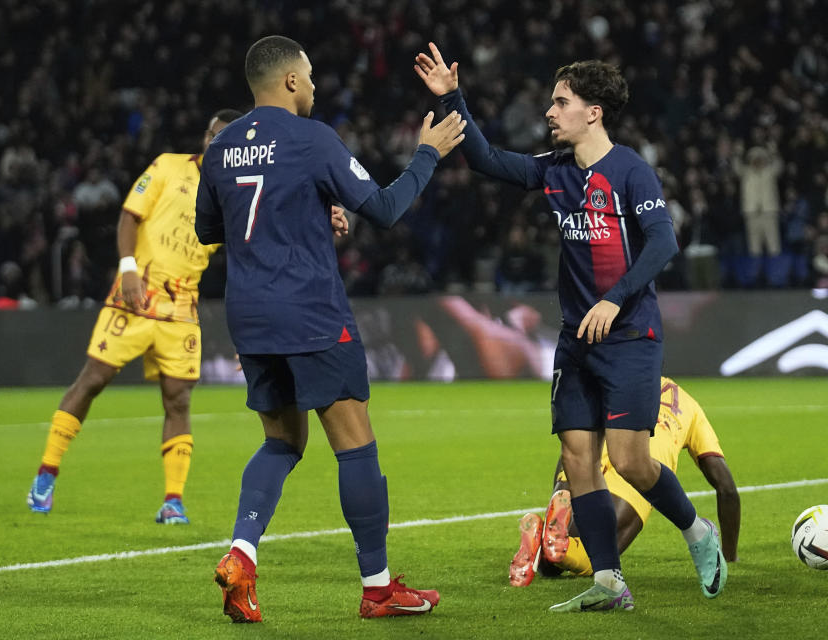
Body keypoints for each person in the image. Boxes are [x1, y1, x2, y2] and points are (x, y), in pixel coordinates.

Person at [415, 43, 726, 612]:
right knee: (578, 460)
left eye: (561, 102)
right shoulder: (554, 172)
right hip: (575, 341)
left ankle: (696, 532)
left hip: (630, 336)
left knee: (632, 461)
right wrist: (451, 97)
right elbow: (484, 159)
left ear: (594, 112)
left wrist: (615, 300)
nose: (550, 112)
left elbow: (663, 243)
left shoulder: (630, 171)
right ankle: (609, 581)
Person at [194, 35, 466, 623]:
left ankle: (242, 554)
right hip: (311, 312)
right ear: (290, 80)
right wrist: (427, 153)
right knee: (356, 444)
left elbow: (210, 231)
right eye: (311, 76)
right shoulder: (313, 138)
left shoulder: (220, 148)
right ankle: (377, 588)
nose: (315, 86)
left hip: (248, 316)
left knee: (282, 442)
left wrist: (312, 209)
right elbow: (387, 211)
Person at [26, 108, 243, 523]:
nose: (218, 144)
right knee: (92, 379)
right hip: (137, 292)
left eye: (227, 139)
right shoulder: (167, 167)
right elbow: (129, 216)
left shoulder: (234, 194)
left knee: (178, 400)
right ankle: (46, 473)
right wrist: (127, 268)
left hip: (181, 306)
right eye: (214, 135)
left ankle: (173, 501)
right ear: (205, 136)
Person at [510, 377, 740, 586]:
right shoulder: (690, 407)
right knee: (597, 560)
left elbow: (573, 442)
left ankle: (545, 536)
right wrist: (729, 554)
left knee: (550, 565)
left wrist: (560, 492)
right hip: (637, 469)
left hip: (590, 457)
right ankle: (562, 547)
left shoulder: (620, 381)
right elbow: (726, 487)